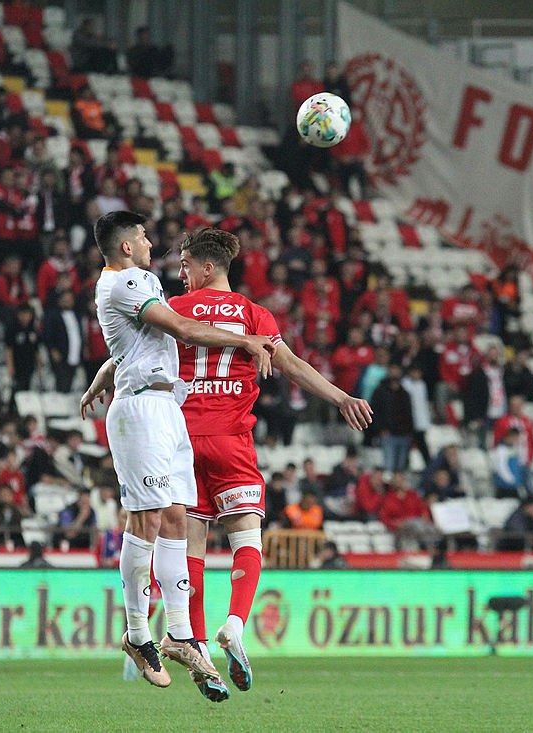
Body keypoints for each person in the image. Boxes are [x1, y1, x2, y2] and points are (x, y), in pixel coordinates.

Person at [81, 223, 368, 698]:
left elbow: (134, 349)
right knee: (246, 533)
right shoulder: (255, 316)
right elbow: (293, 367)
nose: (181, 273)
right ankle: (234, 623)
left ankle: (195, 645)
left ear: (207, 265)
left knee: (185, 543)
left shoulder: (174, 307)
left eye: (187, 265)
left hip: (181, 435)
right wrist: (340, 398)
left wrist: (97, 380)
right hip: (233, 438)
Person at [79, 212, 275, 689]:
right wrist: (246, 339)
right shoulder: (126, 283)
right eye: (143, 236)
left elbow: (136, 348)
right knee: (144, 519)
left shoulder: (138, 284)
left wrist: (98, 379)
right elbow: (183, 331)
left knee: (175, 518)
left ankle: (182, 636)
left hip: (169, 408)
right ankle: (137, 632)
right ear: (127, 246)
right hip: (143, 408)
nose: (150, 242)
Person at [369, 364, 414, 473]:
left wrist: (410, 432)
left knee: (401, 468)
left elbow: (409, 413)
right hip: (388, 434)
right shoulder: (380, 391)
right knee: (388, 466)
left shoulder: (404, 393)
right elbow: (374, 412)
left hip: (404, 434)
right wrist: (380, 429)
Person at [492, 428, 532, 499]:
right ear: (511, 436)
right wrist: (509, 479)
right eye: (516, 438)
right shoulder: (501, 449)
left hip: (514, 484)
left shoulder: (514, 448)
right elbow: (500, 466)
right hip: (505, 485)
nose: (517, 440)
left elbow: (521, 461)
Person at [0, 483, 25, 549]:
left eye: (7, 494)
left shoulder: (16, 510)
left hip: (14, 538)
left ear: (12, 496)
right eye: (2, 494)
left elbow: (17, 526)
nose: (4, 496)